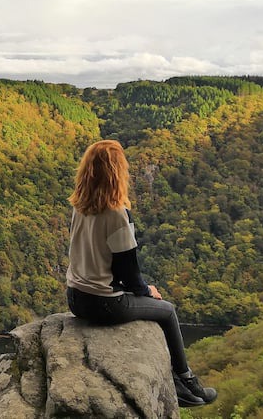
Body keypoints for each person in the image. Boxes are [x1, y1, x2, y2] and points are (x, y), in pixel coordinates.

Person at [65, 139, 218, 407]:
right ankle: (186, 382)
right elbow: (129, 271)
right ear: (117, 172)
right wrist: (147, 291)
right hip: (105, 304)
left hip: (76, 299)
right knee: (167, 311)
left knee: (155, 305)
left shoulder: (79, 205)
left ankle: (183, 382)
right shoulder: (116, 213)